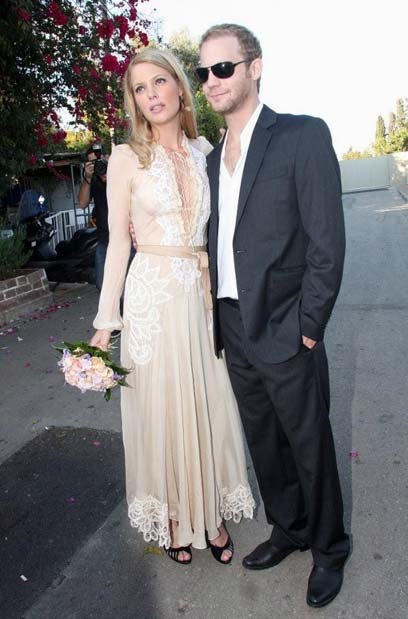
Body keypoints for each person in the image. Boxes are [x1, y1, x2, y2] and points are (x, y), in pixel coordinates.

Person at [197, 24, 350, 607]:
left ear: (254, 68)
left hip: (287, 323)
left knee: (309, 443)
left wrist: (309, 327)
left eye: (223, 68)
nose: (212, 81)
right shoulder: (214, 159)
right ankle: (289, 528)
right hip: (234, 323)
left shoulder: (301, 136)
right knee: (264, 439)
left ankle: (330, 547)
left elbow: (326, 244)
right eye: (204, 72)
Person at [90, 48, 255, 565]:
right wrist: (105, 321)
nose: (151, 95)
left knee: (206, 405)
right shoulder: (125, 158)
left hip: (200, 299)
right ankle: (175, 516)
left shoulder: (207, 150)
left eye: (159, 82)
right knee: (162, 410)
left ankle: (210, 513)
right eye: (139, 89)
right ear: (134, 101)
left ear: (180, 87)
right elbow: (118, 243)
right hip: (152, 298)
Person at [78, 144, 109, 291]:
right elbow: (82, 203)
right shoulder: (92, 180)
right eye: (92, 163)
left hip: (125, 238)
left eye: (98, 160)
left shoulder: (120, 173)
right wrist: (88, 178)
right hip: (104, 239)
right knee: (102, 284)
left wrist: (111, 174)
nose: (97, 165)